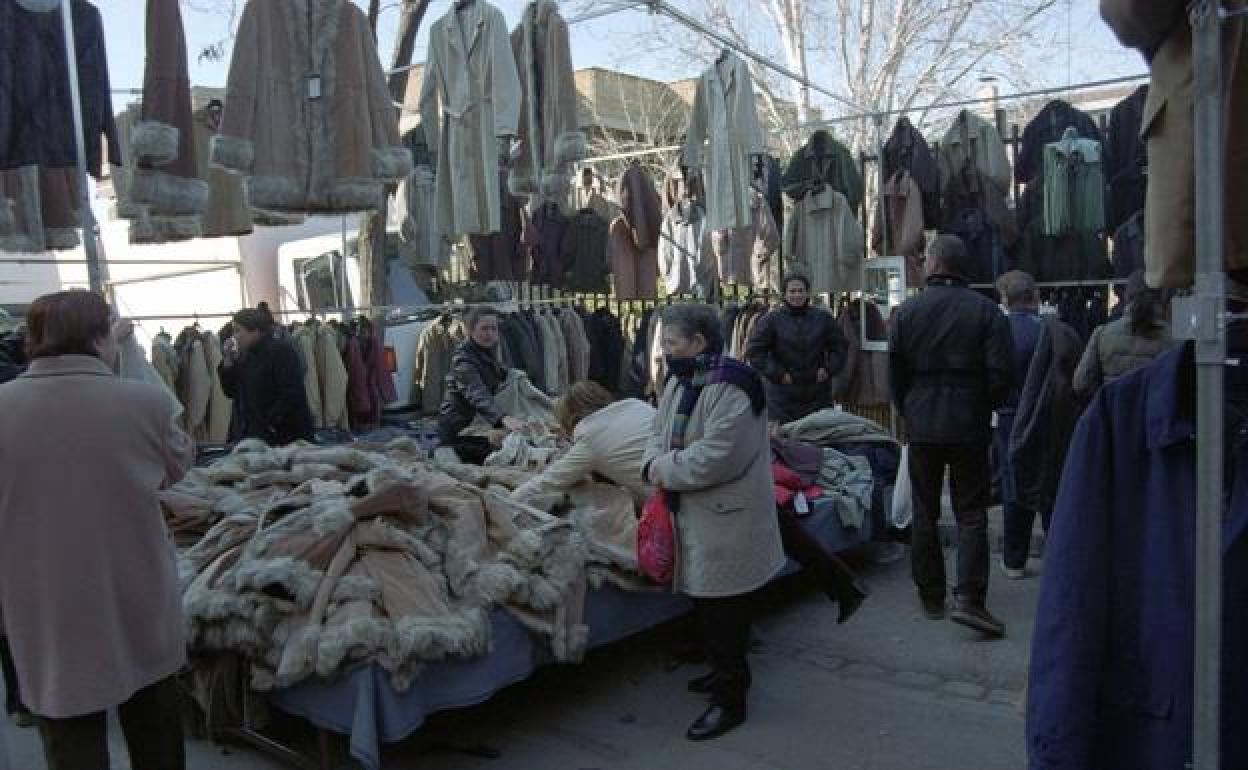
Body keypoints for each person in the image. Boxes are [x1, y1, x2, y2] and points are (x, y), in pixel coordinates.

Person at [0, 290, 194, 769]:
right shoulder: (144, 403)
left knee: (71, 743)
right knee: (156, 736)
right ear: (101, 338)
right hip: (138, 599)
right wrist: (131, 364)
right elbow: (181, 465)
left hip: (44, 608)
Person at [642, 303, 786, 741]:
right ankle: (722, 674)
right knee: (709, 604)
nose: (664, 350)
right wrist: (655, 460)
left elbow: (716, 458)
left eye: (670, 342)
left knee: (726, 610)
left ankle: (731, 699)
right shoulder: (681, 379)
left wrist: (659, 469)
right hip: (697, 515)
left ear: (698, 343)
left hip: (727, 517)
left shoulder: (734, 387)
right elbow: (658, 431)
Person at [889, 235, 1014, 637]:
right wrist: (980, 405)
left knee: (925, 511)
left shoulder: (907, 311)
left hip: (923, 421)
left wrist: (910, 409)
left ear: (935, 264)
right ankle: (970, 599)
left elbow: (896, 375)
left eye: (926, 258)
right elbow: (1001, 374)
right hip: (969, 423)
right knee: (971, 512)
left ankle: (931, 596)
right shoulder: (987, 312)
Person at [511, 381, 655, 504]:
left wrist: (509, 500)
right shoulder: (636, 404)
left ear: (571, 417)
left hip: (667, 501)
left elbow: (547, 482)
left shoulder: (590, 439)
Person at [993, 271, 1046, 580]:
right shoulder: (1048, 330)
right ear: (1034, 297)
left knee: (1014, 485)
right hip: (1043, 413)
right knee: (1047, 483)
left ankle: (1014, 560)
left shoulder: (999, 330)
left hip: (1009, 415)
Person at [745, 273, 849, 424]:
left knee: (817, 439)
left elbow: (840, 346)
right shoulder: (771, 320)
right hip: (782, 397)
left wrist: (828, 369)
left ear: (807, 293)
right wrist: (778, 373)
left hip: (817, 395)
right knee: (784, 442)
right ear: (784, 294)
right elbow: (755, 351)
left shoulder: (822, 318)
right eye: (792, 291)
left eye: (801, 291)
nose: (797, 295)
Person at [439, 306, 526, 464]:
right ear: (471, 331)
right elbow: (477, 393)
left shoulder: (486, 352)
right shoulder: (463, 360)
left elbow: (501, 375)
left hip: (480, 422)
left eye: (493, 328)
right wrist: (503, 418)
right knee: (509, 454)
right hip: (460, 429)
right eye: (484, 328)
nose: (490, 333)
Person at [218, 306, 315, 445]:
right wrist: (227, 361)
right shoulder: (245, 356)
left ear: (256, 331)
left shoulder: (281, 351)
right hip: (256, 436)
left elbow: (292, 392)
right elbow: (231, 392)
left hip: (284, 438)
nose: (234, 336)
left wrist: (269, 423)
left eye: (238, 330)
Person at [1073, 269, 1172, 399]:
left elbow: (1080, 384)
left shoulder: (1102, 334)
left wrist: (1105, 400)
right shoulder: (1171, 338)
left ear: (1126, 297)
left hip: (1115, 414)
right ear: (1160, 297)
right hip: (1156, 416)